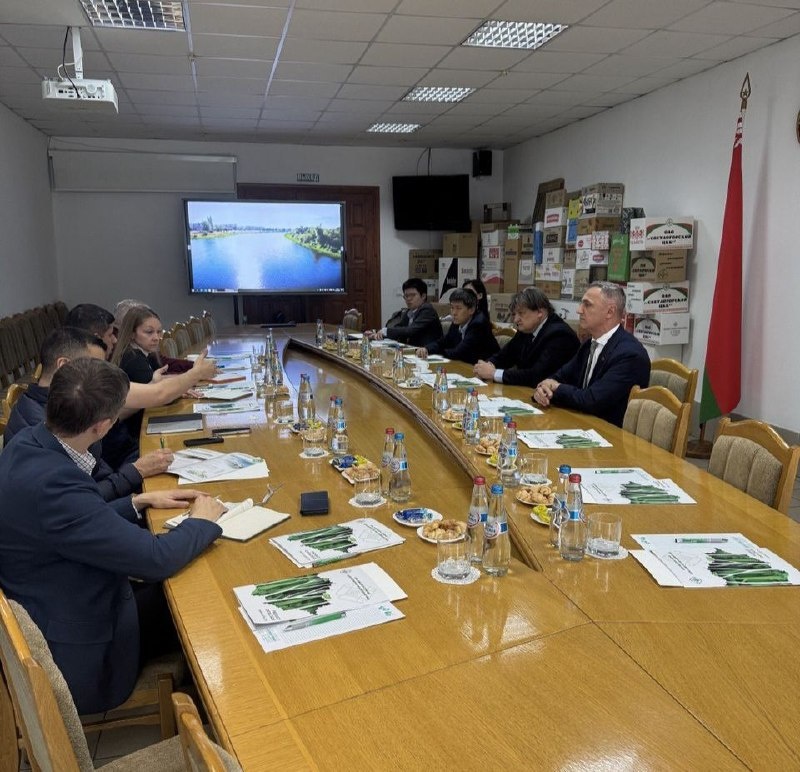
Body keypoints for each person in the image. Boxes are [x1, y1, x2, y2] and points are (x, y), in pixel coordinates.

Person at [0, 358, 224, 714]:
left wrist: (136, 502)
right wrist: (203, 521)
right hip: (83, 652)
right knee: (205, 596)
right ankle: (216, 710)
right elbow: (155, 560)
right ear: (103, 425)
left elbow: (69, 525)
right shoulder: (55, 485)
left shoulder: (29, 440)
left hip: (59, 596)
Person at [533, 282, 650, 427]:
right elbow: (560, 376)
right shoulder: (589, 344)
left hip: (610, 433)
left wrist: (556, 388)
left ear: (610, 312)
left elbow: (592, 400)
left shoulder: (630, 355)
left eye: (587, 305)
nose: (579, 310)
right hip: (583, 423)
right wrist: (544, 388)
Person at [474, 287, 579, 387]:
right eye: (515, 314)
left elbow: (537, 376)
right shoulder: (527, 329)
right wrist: (486, 366)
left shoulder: (560, 335)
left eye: (521, 313)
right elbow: (504, 356)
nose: (516, 320)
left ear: (539, 312)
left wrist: (494, 373)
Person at [417, 288, 498, 365]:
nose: (454, 313)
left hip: (488, 369)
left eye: (458, 308)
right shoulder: (458, 321)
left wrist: (436, 353)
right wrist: (426, 349)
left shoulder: (478, 324)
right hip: (467, 365)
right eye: (452, 308)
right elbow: (444, 342)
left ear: (471, 310)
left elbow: (458, 353)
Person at [366, 277, 442, 346]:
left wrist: (385, 331)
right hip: (412, 351)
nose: (408, 299)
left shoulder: (428, 310)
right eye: (406, 296)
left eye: (412, 295)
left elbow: (410, 330)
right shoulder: (409, 311)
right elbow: (399, 328)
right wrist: (378, 334)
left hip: (428, 353)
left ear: (423, 296)